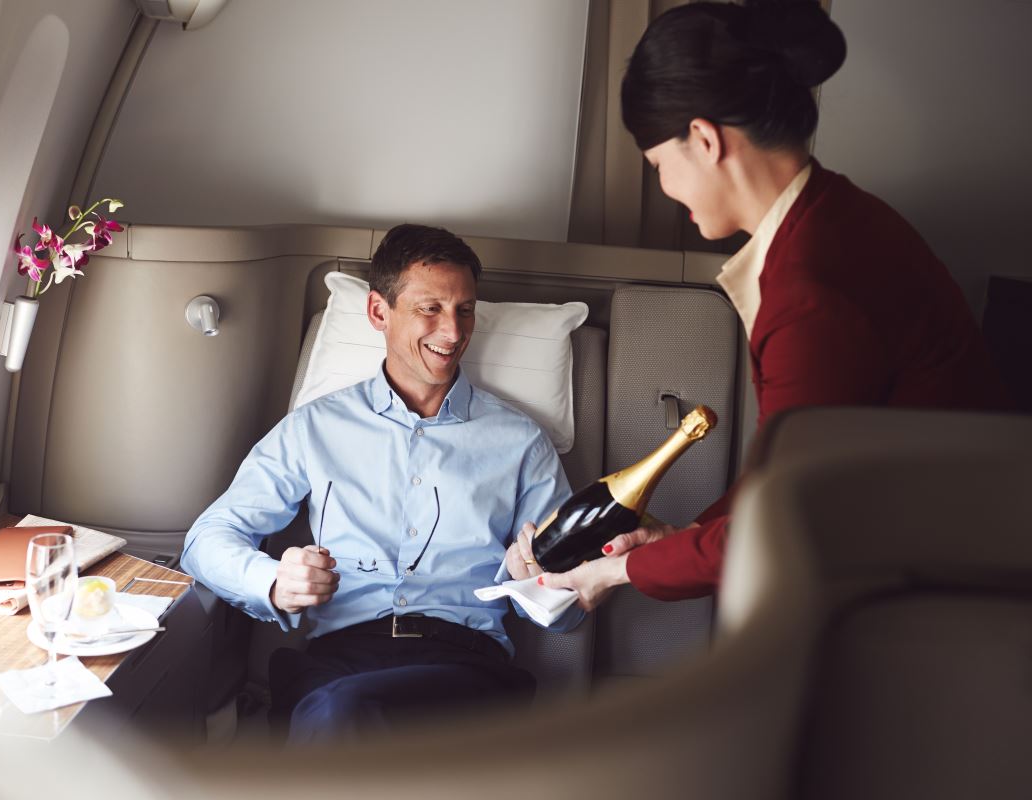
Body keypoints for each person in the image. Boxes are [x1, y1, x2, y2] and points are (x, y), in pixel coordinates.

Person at [535, 0, 1011, 609]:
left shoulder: (807, 292)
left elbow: (788, 519)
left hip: (945, 582)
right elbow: (789, 478)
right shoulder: (839, 214)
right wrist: (684, 538)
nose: (665, 187)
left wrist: (616, 573)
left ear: (703, 141)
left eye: (658, 164)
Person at [181, 223, 582, 744]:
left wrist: (540, 582)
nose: (453, 333)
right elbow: (204, 541)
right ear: (378, 312)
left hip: (464, 670)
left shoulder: (522, 442)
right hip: (337, 663)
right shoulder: (314, 428)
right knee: (336, 711)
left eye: (464, 310)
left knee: (339, 718)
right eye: (430, 309)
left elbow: (570, 612)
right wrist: (274, 581)